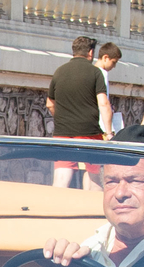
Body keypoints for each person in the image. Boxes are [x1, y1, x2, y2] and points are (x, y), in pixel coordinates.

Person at [45, 35, 111, 186]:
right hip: (90, 133)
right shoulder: (95, 73)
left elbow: (50, 103)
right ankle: (91, 208)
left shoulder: (59, 71)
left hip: (63, 132)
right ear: (90, 53)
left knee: (61, 176)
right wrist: (108, 133)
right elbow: (104, 104)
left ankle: (55, 208)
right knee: (94, 175)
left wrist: (62, 118)